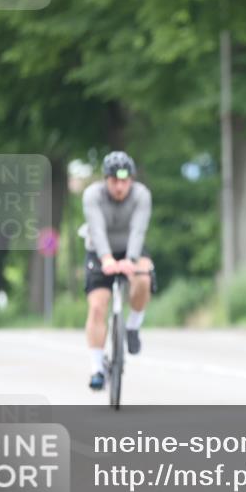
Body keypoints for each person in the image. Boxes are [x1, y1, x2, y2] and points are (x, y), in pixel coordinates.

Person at [82, 151, 154, 390]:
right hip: (100, 251)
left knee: (143, 277)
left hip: (131, 250)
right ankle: (96, 367)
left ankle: (133, 325)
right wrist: (106, 258)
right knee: (97, 306)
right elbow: (97, 228)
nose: (120, 186)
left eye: (125, 181)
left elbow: (138, 230)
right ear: (106, 179)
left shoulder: (142, 195)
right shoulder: (93, 195)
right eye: (114, 181)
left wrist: (131, 259)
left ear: (131, 179)